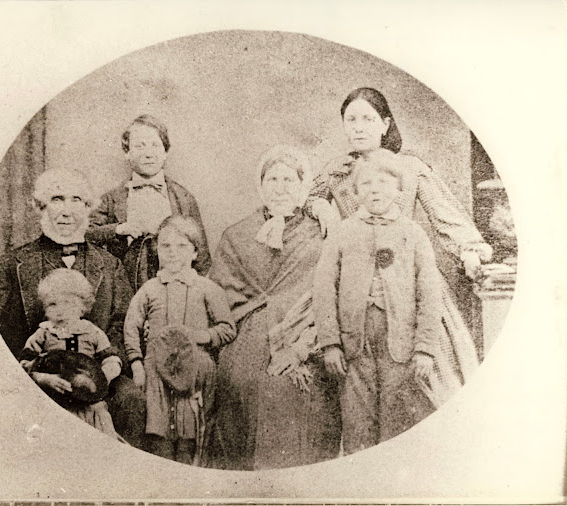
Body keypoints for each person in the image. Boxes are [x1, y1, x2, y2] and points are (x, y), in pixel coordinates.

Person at [306, 87, 492, 394]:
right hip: (354, 283)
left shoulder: (411, 168)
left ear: (385, 124)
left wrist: (468, 249)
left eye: (368, 119)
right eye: (351, 120)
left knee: (426, 379)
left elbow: (444, 213)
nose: (359, 127)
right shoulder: (337, 171)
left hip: (406, 276)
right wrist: (320, 206)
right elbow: (303, 198)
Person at [0, 169, 147, 449]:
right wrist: (33, 373)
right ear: (41, 206)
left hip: (98, 373)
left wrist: (106, 370)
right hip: (35, 376)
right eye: (57, 199)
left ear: (88, 208)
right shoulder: (11, 264)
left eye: (76, 200)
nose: (66, 211)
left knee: (131, 400)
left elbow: (122, 323)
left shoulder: (110, 265)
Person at [206, 145, 341, 471]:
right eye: (273, 180)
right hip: (245, 336)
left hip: (303, 338)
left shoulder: (319, 234)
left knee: (289, 389)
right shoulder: (236, 234)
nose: (280, 188)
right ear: (261, 185)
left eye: (288, 180)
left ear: (302, 186)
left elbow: (329, 294)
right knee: (241, 380)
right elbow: (219, 296)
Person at [314, 160, 440, 453]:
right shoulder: (343, 232)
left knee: (397, 420)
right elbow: (324, 289)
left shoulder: (413, 233)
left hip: (401, 342)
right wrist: (330, 344)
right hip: (354, 343)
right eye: (366, 184)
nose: (375, 190)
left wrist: (425, 349)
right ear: (355, 192)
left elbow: (430, 294)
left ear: (398, 189)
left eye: (383, 183)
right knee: (357, 422)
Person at [123, 215, 236, 465]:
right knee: (158, 435)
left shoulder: (207, 288)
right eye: (165, 246)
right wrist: (137, 364)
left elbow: (228, 329)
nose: (172, 252)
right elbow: (131, 326)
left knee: (189, 435)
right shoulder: (149, 289)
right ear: (157, 250)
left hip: (193, 371)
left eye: (182, 246)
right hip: (155, 372)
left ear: (195, 252)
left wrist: (202, 336)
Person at [87, 114, 211, 291]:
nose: (148, 154)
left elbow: (202, 256)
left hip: (173, 290)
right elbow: (86, 235)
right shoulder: (111, 199)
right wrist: (118, 229)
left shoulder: (183, 198)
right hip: (125, 290)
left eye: (155, 145)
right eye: (140, 146)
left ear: (165, 152)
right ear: (127, 153)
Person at [19, 269, 122, 440]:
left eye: (67, 303)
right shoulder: (44, 333)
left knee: (98, 421)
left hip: (88, 400)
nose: (59, 311)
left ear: (82, 306)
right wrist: (43, 378)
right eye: (52, 304)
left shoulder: (92, 332)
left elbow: (111, 359)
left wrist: (102, 378)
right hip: (54, 398)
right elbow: (24, 364)